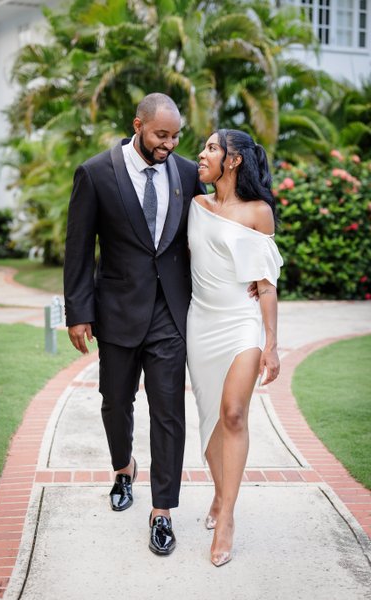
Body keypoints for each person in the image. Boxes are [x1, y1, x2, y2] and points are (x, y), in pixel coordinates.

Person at [63, 93, 205, 556]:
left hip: (170, 314)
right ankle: (124, 469)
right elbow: (79, 248)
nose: (170, 144)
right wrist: (78, 312)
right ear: (137, 125)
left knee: (168, 412)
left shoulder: (186, 173)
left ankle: (162, 510)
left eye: (176, 135)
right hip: (118, 311)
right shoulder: (96, 172)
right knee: (115, 402)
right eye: (161, 135)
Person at [187, 129, 283, 567]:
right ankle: (221, 495)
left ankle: (226, 516)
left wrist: (272, 344)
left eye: (210, 147)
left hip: (241, 324)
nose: (201, 153)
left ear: (234, 160)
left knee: (233, 414)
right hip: (200, 322)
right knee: (210, 421)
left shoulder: (259, 212)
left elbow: (264, 286)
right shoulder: (195, 204)